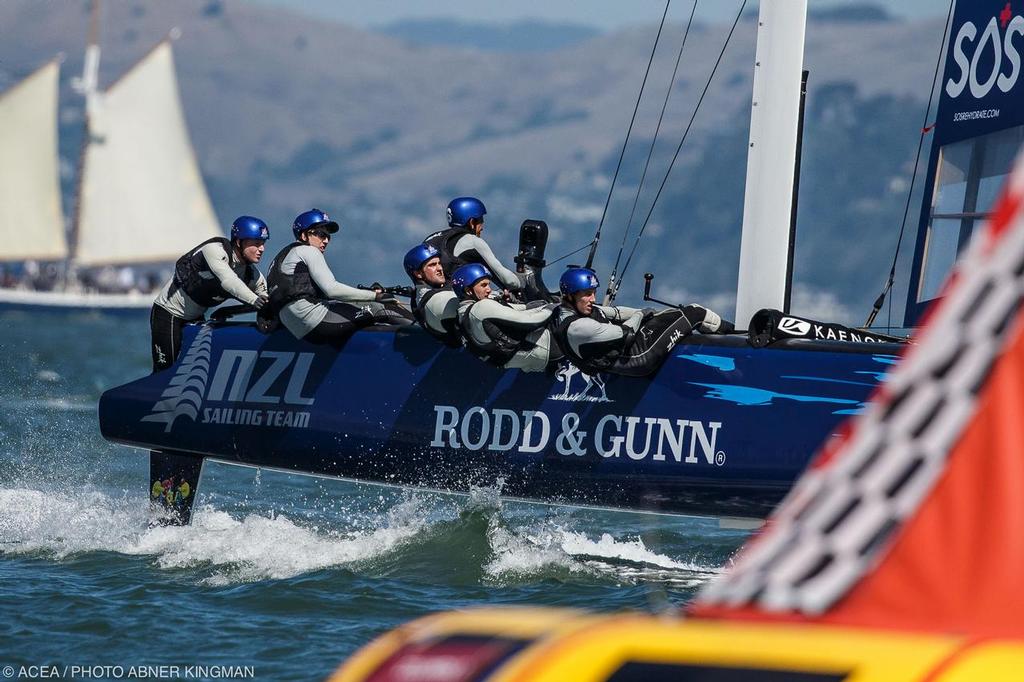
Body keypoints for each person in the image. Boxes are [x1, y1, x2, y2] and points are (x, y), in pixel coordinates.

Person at [552, 267, 734, 377]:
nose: (592, 298)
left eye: (593, 292)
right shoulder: (578, 327)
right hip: (639, 358)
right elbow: (626, 332)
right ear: (569, 296)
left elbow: (615, 312)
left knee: (672, 316)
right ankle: (735, 335)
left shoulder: (570, 312)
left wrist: (656, 315)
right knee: (695, 312)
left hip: (623, 357)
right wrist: (643, 314)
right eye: (586, 294)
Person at [267, 208, 412, 346]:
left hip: (298, 329)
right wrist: (375, 296)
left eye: (328, 236)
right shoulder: (308, 251)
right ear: (304, 235)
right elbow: (332, 290)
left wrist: (366, 296)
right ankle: (427, 338)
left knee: (360, 307)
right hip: (317, 321)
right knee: (381, 308)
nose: (326, 240)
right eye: (320, 234)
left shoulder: (282, 258)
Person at [150, 216, 270, 372]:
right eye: (256, 243)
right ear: (239, 242)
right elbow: (228, 281)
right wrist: (254, 299)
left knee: (189, 371)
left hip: (195, 317)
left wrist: (230, 311)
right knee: (165, 370)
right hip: (168, 314)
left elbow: (266, 303)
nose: (262, 249)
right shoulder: (214, 250)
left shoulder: (252, 275)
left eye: (263, 243)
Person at [424, 196, 551, 301]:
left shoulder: (431, 238)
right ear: (471, 222)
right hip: (457, 303)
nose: (482, 226)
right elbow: (510, 281)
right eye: (481, 220)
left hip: (430, 301)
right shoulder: (473, 242)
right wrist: (525, 279)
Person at [451, 263, 561, 372]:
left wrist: (533, 306)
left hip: (532, 363)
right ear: (468, 290)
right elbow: (530, 321)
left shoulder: (461, 319)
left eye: (489, 284)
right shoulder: (481, 307)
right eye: (483, 285)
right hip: (550, 347)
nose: (489, 290)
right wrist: (551, 307)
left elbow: (522, 308)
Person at [403, 243, 461, 347]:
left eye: (439, 263)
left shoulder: (441, 286)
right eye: (432, 265)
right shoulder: (430, 299)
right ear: (418, 274)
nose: (440, 268)